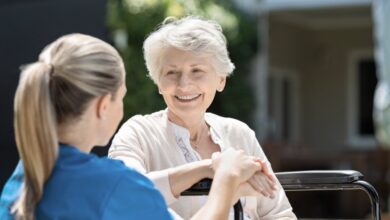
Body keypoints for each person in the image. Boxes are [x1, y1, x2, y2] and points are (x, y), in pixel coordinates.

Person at [0, 33, 271, 220]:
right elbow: (125, 191)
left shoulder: (26, 175)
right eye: (122, 96)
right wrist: (226, 180)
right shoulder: (112, 184)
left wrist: (206, 167)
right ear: (103, 106)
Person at [109, 16, 297, 219]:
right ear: (158, 82)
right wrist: (211, 168)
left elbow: (279, 213)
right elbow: (124, 194)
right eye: (172, 72)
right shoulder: (138, 133)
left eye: (197, 71)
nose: (184, 84)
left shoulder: (239, 133)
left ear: (221, 79)